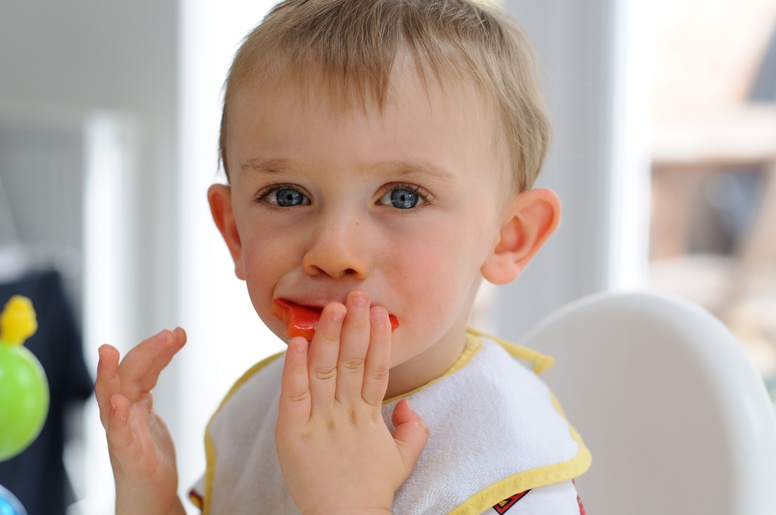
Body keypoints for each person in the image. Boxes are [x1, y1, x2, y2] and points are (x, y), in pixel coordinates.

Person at [94, 0, 592, 513]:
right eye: (287, 195)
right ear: (236, 232)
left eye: (403, 197)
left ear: (508, 238)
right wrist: (152, 497)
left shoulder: (512, 470)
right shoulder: (258, 410)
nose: (333, 252)